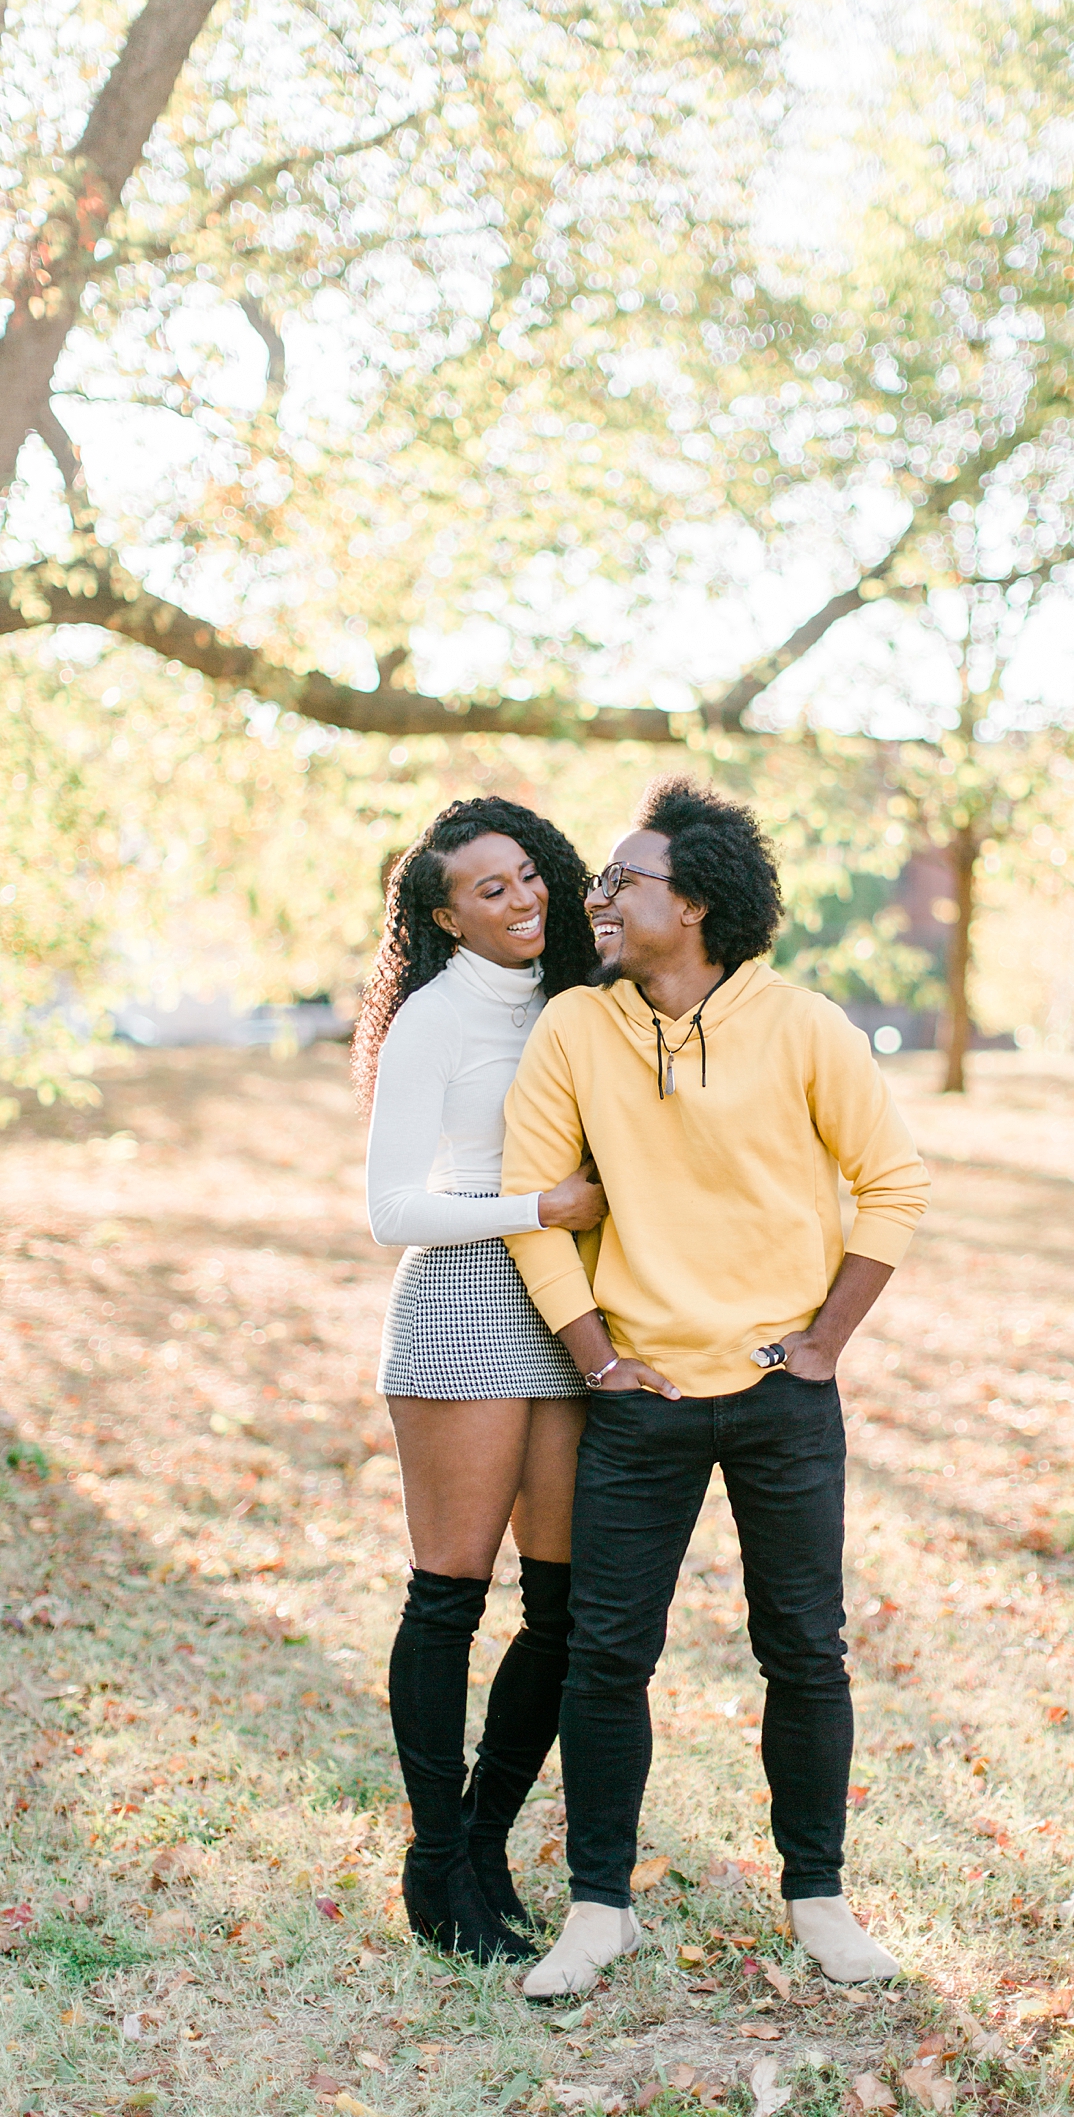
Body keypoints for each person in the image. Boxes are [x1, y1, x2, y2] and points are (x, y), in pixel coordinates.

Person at [499, 777, 932, 1997]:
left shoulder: (804, 1027)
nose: (593, 898)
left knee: (805, 1649)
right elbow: (531, 1207)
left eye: (617, 882)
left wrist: (827, 1342)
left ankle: (819, 1897)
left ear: (688, 904)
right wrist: (596, 1355)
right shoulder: (577, 1030)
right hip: (639, 1399)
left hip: (780, 1396)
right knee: (603, 1655)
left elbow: (893, 1182)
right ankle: (598, 1910)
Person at [353, 796, 608, 1964]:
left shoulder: (578, 1002)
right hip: (464, 1305)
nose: (520, 901)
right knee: (450, 1594)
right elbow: (389, 1210)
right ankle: (429, 1863)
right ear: (445, 915)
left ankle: (484, 1839)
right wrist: (532, 1207)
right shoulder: (434, 1020)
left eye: (528, 877)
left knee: (559, 1606)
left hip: (569, 1311)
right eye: (488, 891)